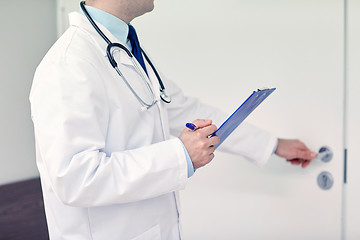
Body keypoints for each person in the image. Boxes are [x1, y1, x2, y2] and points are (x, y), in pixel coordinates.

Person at [29, 0, 316, 239]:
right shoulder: (68, 65)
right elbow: (76, 178)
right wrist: (179, 155)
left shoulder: (123, 50)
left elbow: (184, 110)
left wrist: (271, 144)